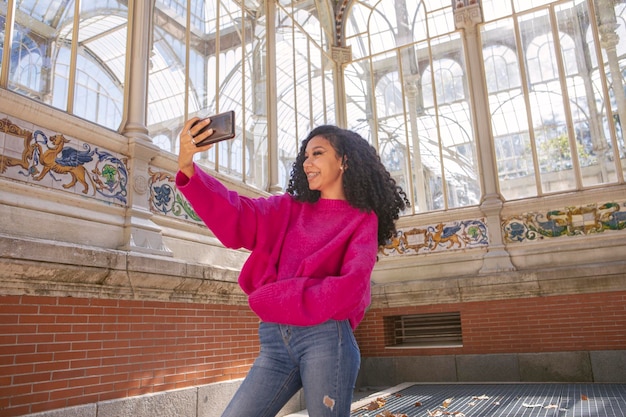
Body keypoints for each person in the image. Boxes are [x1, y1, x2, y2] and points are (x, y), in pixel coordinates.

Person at [176, 118, 409, 417]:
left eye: (318, 153)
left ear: (344, 161)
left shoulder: (362, 219)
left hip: (326, 340)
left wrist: (284, 297)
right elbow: (237, 214)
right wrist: (188, 168)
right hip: (275, 341)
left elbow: (351, 286)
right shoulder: (288, 209)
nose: (306, 162)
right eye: (305, 156)